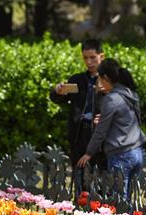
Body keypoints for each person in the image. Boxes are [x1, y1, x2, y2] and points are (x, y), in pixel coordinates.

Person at [77, 59, 146, 201]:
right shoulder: (130, 93)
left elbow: (101, 131)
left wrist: (89, 153)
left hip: (121, 154)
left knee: (119, 200)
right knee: (129, 198)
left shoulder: (112, 98)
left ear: (106, 78)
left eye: (100, 79)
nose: (100, 84)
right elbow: (134, 120)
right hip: (137, 151)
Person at [50, 39, 106, 195]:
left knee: (99, 172)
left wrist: (107, 91)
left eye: (93, 57)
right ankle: (80, 203)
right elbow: (57, 99)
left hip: (99, 134)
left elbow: (124, 103)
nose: (89, 62)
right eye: (85, 58)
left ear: (102, 56)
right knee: (79, 171)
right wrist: (58, 91)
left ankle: (101, 206)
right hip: (79, 132)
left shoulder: (110, 80)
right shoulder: (77, 80)